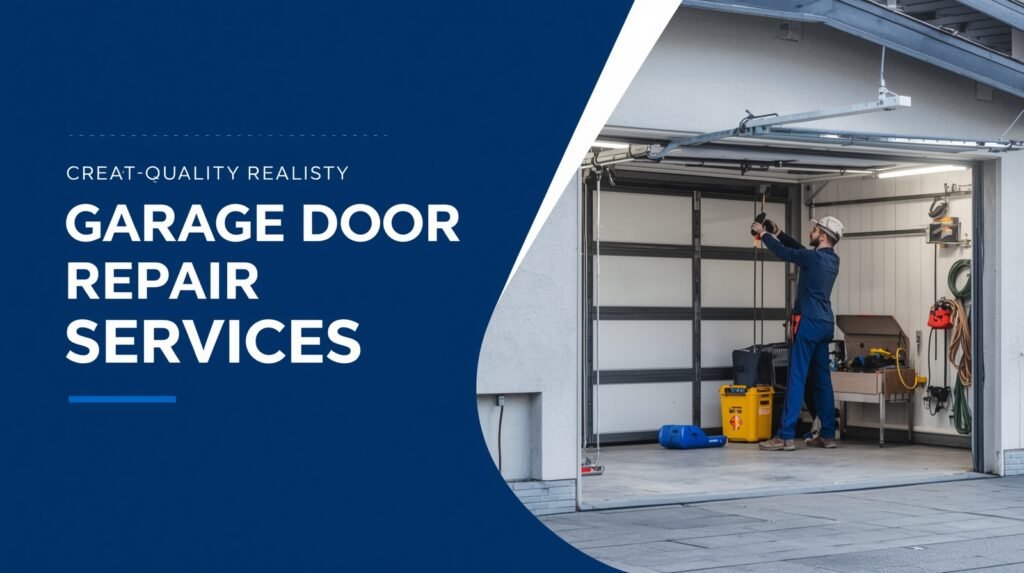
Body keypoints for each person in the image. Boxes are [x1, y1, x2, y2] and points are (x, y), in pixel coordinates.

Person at [751, 215, 843, 451]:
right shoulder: (831, 260)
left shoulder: (812, 258)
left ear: (823, 235)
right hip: (824, 324)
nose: (811, 232)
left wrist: (764, 235)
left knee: (796, 379)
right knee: (822, 382)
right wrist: (778, 232)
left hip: (808, 324)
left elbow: (786, 253)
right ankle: (827, 434)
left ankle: (785, 436)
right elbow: (801, 251)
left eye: (814, 230)